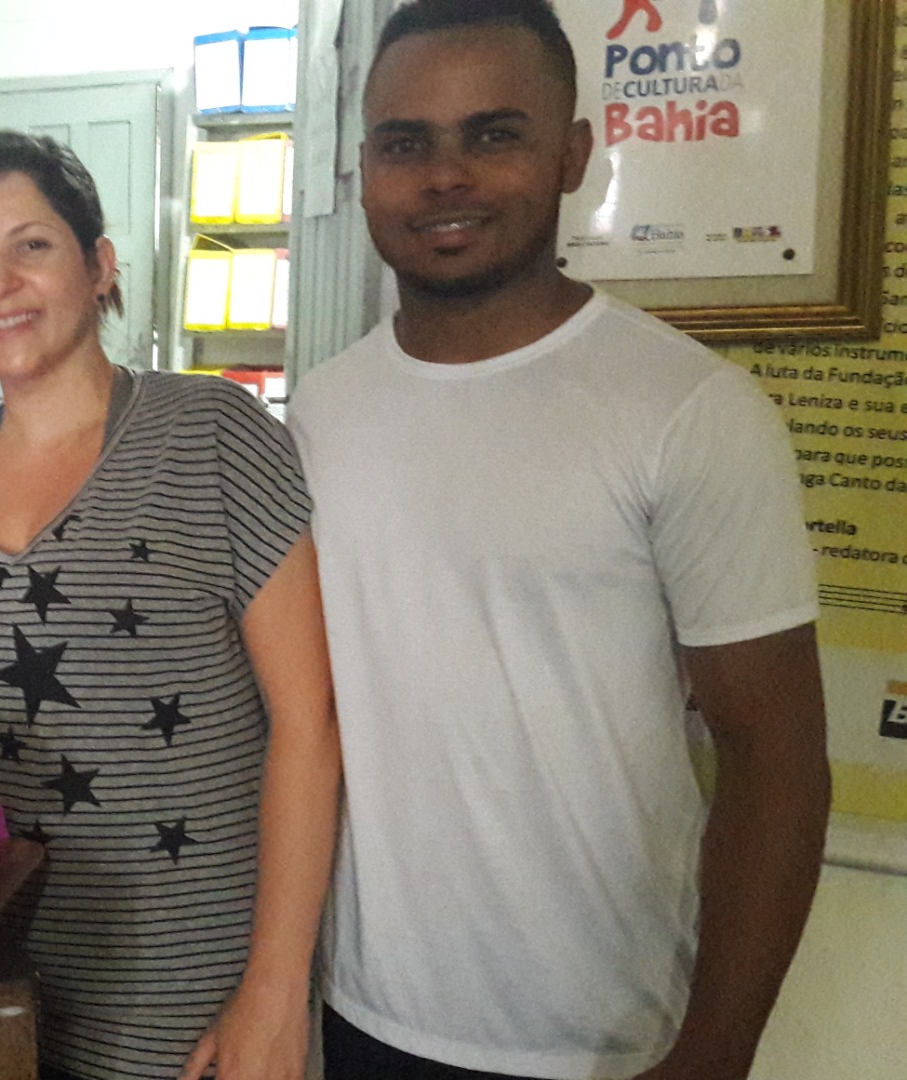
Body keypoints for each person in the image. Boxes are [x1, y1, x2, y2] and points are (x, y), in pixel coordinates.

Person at [286, 3, 829, 1078]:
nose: (446, 176)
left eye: (494, 135)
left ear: (574, 153)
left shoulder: (687, 410)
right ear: (365, 171)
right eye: (406, 143)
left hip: (607, 1040)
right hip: (363, 1018)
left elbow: (776, 763)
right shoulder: (321, 412)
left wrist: (714, 1053)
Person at [0, 131, 340, 1080]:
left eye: (32, 246)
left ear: (99, 266)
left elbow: (309, 720)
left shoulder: (210, 433)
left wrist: (275, 986)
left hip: (181, 998)